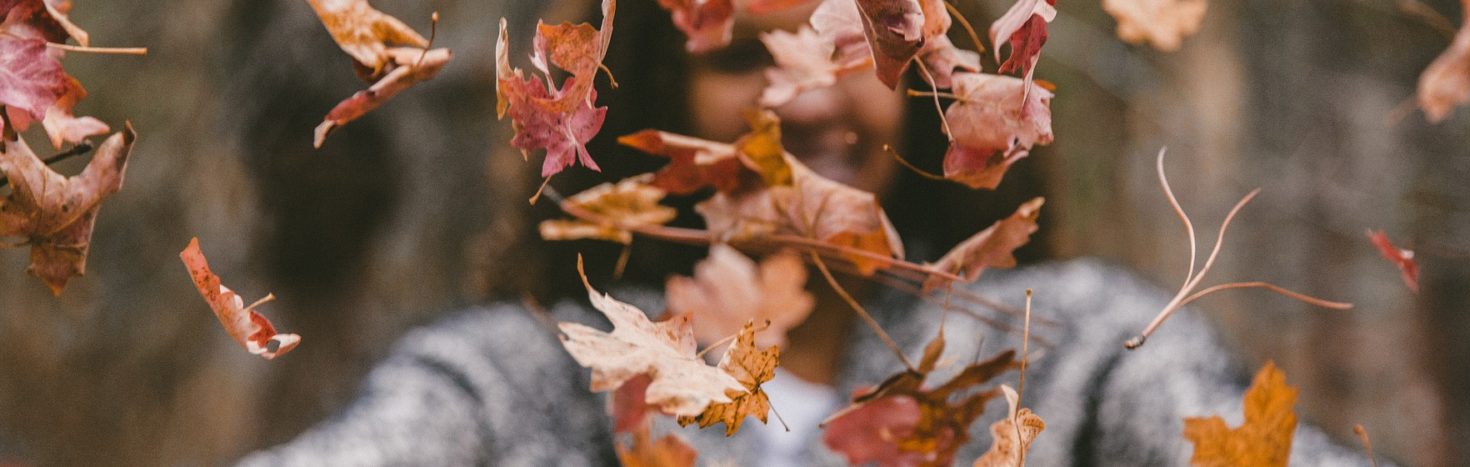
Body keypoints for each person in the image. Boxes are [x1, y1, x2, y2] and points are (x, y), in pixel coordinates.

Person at [239, 0, 1383, 465]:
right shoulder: (527, 378)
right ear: (651, 101)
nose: (809, 103)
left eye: (847, 56)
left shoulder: (1071, 346)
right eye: (742, 59)